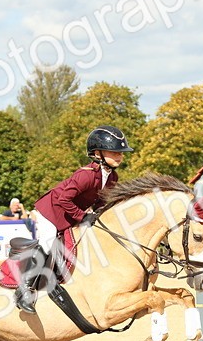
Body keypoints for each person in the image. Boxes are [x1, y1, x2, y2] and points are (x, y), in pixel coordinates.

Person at [16, 125, 131, 313]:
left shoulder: (112, 176)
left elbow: (100, 201)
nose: (120, 156)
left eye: (121, 153)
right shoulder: (85, 174)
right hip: (51, 211)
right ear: (97, 153)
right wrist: (83, 216)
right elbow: (63, 199)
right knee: (47, 242)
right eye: (114, 152)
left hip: (70, 213)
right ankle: (24, 290)